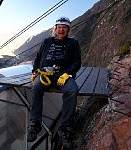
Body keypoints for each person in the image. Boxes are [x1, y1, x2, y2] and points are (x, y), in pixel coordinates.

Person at [27, 16, 81, 149]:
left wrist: (67, 73)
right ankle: (35, 124)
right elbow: (39, 57)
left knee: (72, 90)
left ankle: (65, 129)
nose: (61, 30)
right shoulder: (46, 41)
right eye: (59, 27)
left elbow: (76, 62)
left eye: (64, 27)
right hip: (45, 73)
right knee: (36, 88)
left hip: (62, 75)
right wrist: (35, 70)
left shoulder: (73, 43)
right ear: (55, 29)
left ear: (68, 30)